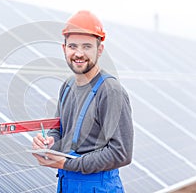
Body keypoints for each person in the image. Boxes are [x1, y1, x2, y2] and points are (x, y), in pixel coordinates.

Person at [32, 10, 133, 193]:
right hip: (66, 184)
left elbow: (121, 153)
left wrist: (67, 163)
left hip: (98, 187)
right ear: (64, 49)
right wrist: (49, 144)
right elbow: (59, 131)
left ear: (99, 49)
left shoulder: (110, 91)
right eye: (72, 46)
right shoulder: (67, 86)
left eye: (87, 46)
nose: (79, 53)